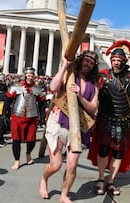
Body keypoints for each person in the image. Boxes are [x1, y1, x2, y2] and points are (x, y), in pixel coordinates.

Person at [38, 50, 99, 202]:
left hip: (78, 127)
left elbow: (92, 108)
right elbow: (53, 87)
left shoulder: (94, 84)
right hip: (58, 122)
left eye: (92, 63)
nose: (88, 64)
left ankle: (64, 195)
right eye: (86, 60)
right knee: (56, 165)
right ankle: (44, 179)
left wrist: (80, 95)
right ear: (81, 60)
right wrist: (65, 65)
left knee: (72, 166)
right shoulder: (69, 74)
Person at [87, 40, 130, 196]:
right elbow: (94, 96)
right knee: (104, 150)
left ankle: (111, 181)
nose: (116, 62)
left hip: (124, 121)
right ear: (110, 61)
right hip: (105, 119)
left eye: (119, 60)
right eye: (113, 60)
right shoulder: (103, 76)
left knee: (119, 153)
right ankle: (100, 179)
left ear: (124, 60)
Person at [7, 67, 45, 170]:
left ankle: (28, 153)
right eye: (28, 75)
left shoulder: (37, 89)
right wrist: (5, 114)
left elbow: (42, 103)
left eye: (32, 76)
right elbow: (8, 100)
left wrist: (42, 116)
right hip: (17, 116)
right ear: (25, 76)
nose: (30, 78)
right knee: (16, 139)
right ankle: (17, 160)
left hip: (32, 116)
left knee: (31, 139)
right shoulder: (16, 87)